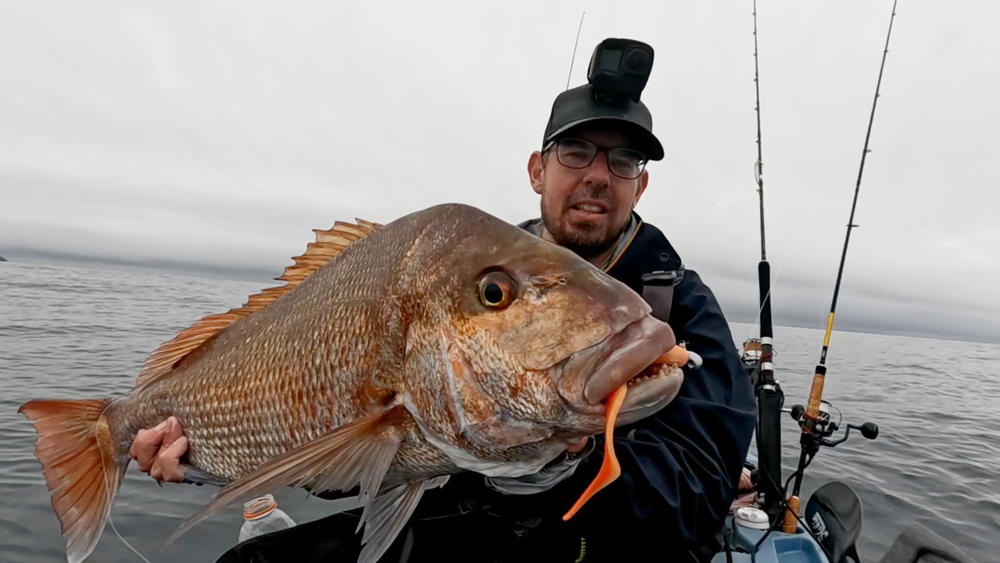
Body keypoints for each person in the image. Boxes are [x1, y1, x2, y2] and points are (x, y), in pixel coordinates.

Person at [130, 38, 756, 562]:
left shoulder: (679, 306)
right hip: (462, 523)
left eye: (623, 161)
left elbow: (694, 506)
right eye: (575, 152)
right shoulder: (455, 267)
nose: (597, 174)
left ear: (639, 186)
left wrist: (559, 466)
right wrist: (201, 461)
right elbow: (343, 453)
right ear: (538, 170)